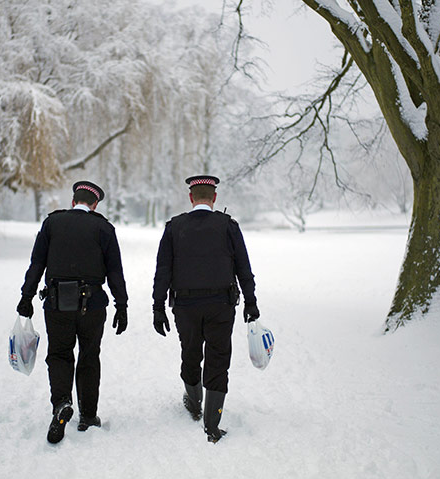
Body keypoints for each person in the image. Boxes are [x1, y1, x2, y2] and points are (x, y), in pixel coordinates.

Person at [17, 180, 128, 445]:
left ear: (72, 201)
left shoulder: (52, 223)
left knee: (59, 355)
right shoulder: (104, 228)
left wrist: (26, 296)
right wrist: (121, 304)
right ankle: (88, 416)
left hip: (57, 304)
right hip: (93, 306)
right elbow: (115, 271)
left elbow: (37, 263)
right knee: (89, 357)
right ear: (95, 204)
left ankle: (61, 404)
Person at [152, 174, 259, 443]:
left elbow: (162, 271)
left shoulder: (174, 227)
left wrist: (158, 306)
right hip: (221, 305)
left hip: (185, 306)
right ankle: (212, 424)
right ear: (214, 198)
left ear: (191, 198)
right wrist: (251, 301)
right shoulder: (228, 226)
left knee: (190, 352)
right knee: (218, 358)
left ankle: (194, 402)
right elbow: (243, 268)